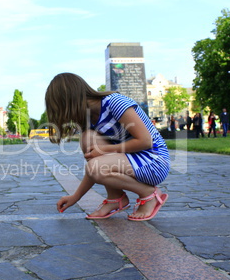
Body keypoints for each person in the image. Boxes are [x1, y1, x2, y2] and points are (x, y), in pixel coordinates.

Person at [45, 73, 170, 222]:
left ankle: (149, 195)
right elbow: (95, 168)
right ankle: (115, 198)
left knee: (94, 165)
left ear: (68, 101)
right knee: (88, 137)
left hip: (154, 161)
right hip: (133, 160)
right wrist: (75, 197)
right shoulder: (90, 120)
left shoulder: (114, 102)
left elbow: (145, 141)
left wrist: (105, 150)